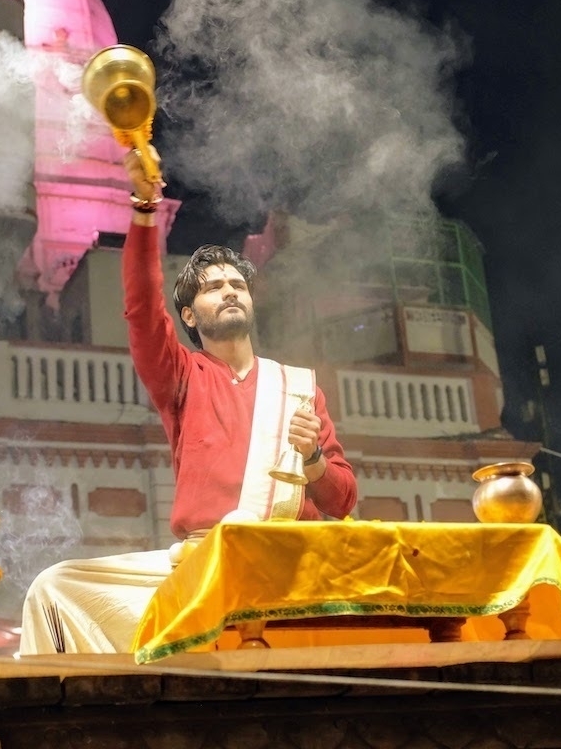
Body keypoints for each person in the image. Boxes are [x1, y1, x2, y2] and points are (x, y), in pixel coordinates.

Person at [19, 146, 358, 653]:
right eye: (213, 286)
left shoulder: (298, 386)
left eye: (237, 284)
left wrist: (312, 460)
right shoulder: (182, 376)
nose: (229, 290)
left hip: (288, 562)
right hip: (201, 564)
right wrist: (143, 208)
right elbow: (140, 305)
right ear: (190, 317)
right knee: (54, 590)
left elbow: (343, 498)